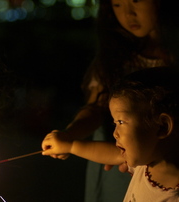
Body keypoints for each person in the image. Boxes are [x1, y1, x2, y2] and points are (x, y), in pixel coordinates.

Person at [42, 0, 179, 201]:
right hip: (124, 164)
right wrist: (69, 138)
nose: (128, 13)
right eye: (116, 4)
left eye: (136, 1)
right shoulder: (114, 56)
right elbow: (95, 108)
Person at [42, 67, 179, 201]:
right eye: (115, 123)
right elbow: (111, 153)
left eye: (121, 122)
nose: (115, 134)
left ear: (162, 127)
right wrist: (70, 145)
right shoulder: (146, 162)